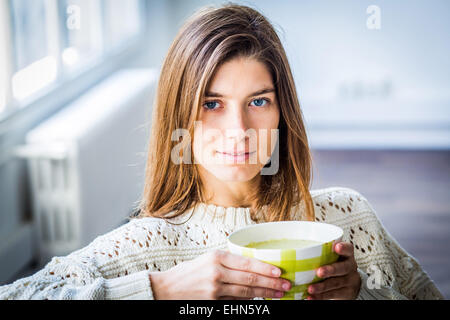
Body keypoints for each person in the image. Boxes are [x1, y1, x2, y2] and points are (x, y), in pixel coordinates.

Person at [0, 3, 444, 300]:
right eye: (211, 104)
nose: (240, 130)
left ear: (282, 112)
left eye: (258, 101)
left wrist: (362, 293)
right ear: (181, 119)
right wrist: (159, 290)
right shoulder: (145, 247)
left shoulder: (347, 218)